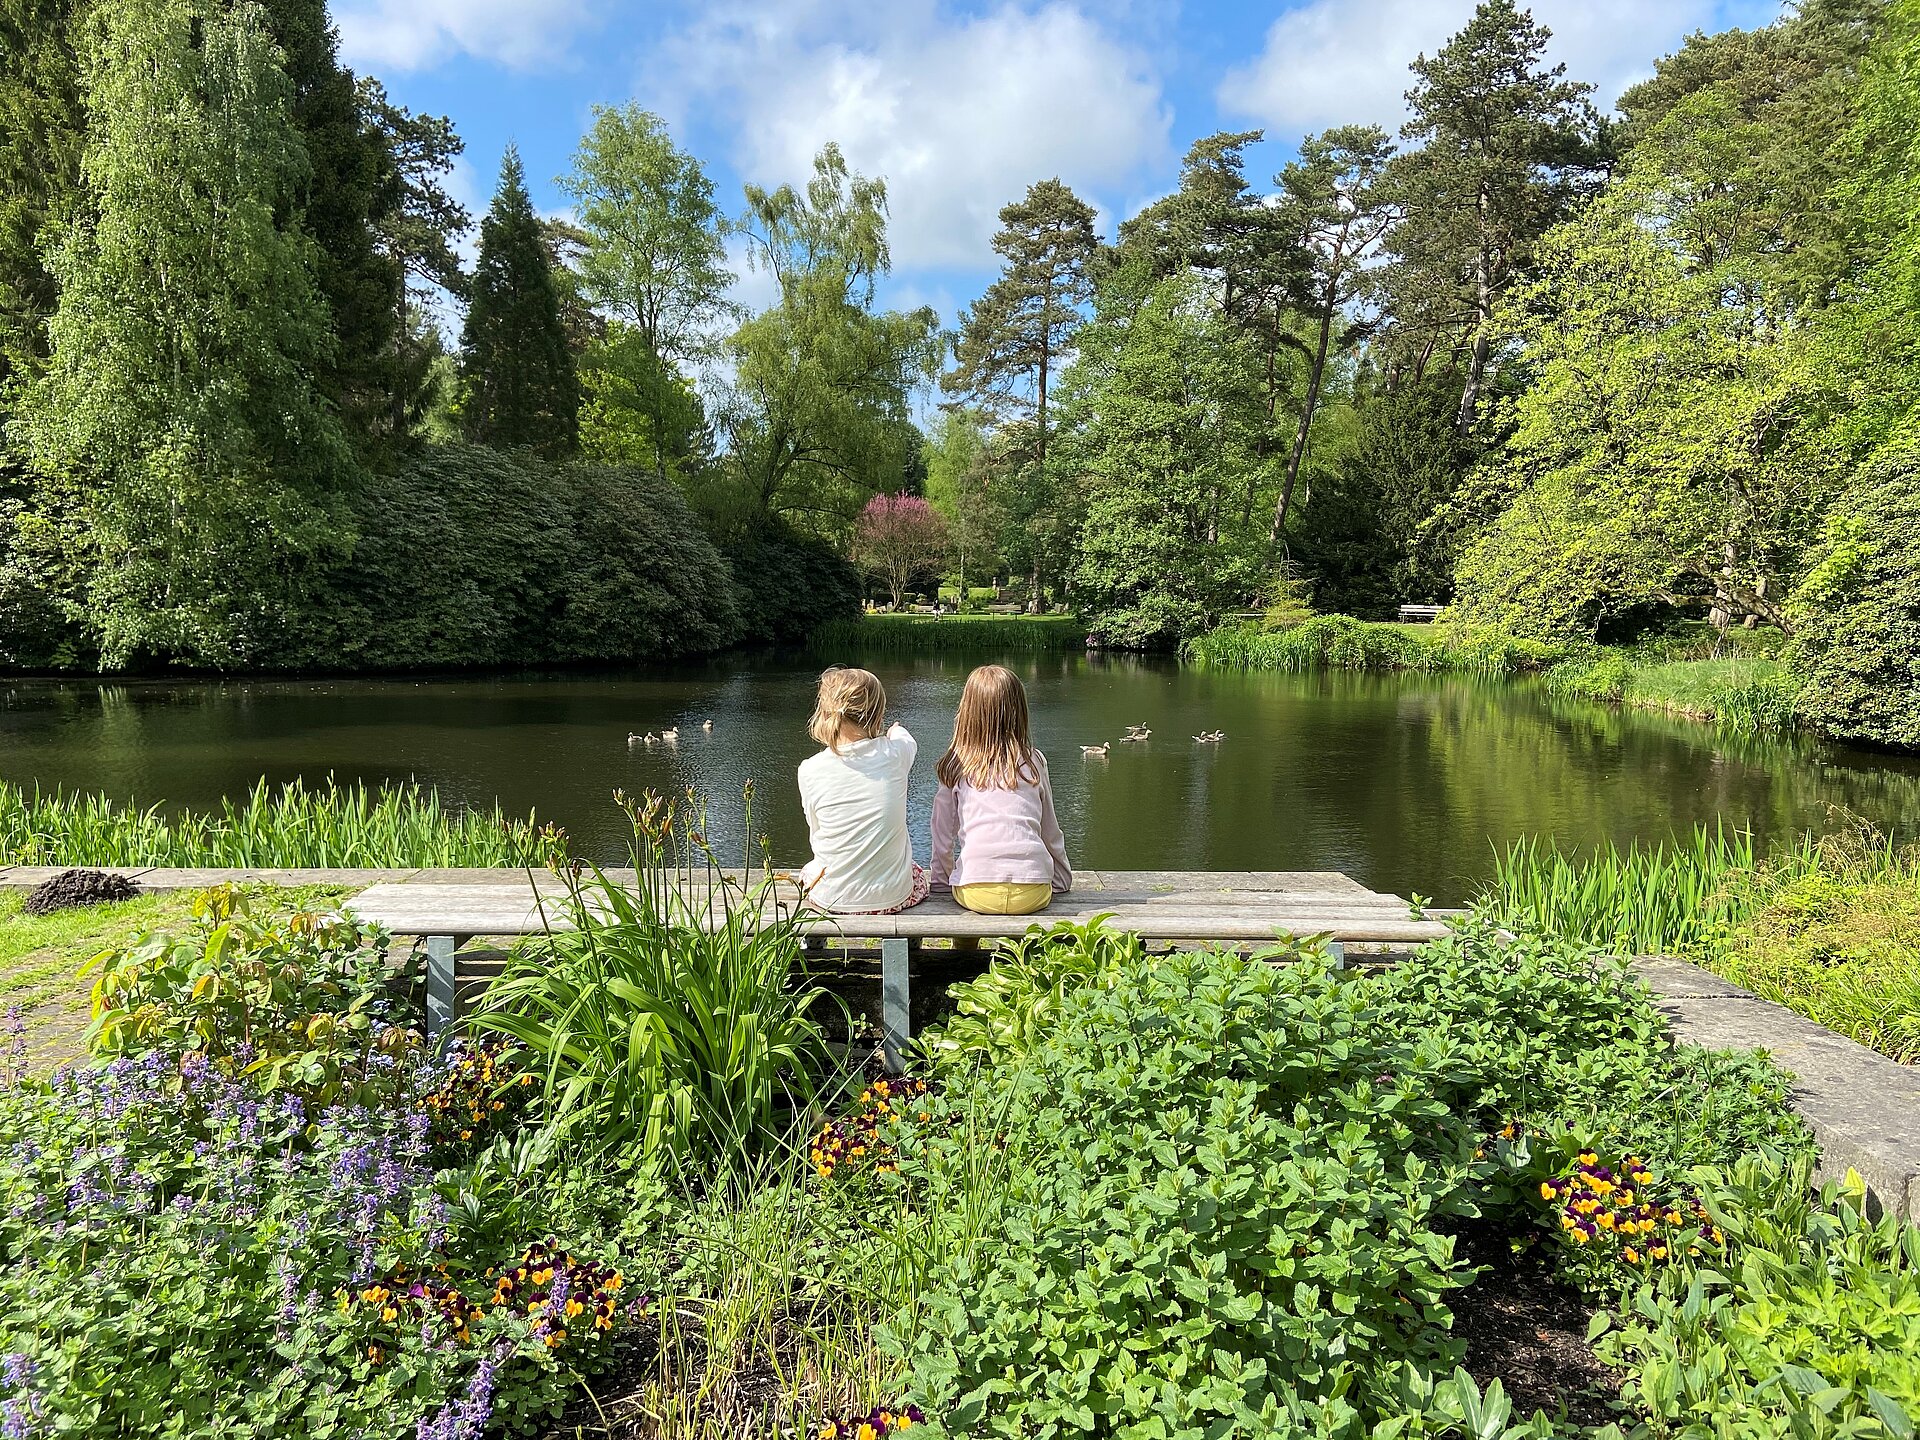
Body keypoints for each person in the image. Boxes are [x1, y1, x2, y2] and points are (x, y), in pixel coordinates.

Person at [929, 664, 1072, 915]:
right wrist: (1061, 879)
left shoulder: (956, 764)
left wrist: (941, 882)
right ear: (1019, 711)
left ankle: (963, 951)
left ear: (967, 711)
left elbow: (942, 836)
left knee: (965, 906)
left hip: (976, 891)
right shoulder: (1033, 762)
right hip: (1033, 890)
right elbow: (1050, 830)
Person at [797, 666, 927, 914]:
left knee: (810, 870)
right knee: (914, 872)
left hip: (832, 897)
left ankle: (813, 946)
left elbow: (816, 831)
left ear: (824, 712)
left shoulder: (809, 770)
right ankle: (912, 948)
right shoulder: (895, 754)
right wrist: (895, 730)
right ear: (878, 714)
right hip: (891, 897)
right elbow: (908, 740)